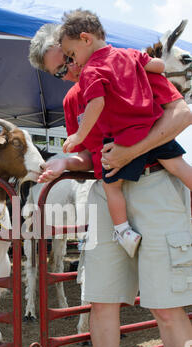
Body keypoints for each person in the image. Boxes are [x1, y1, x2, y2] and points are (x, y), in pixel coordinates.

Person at [29, 23, 192, 347]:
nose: (68, 72)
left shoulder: (125, 64)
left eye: (66, 61)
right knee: (101, 297)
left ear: (76, 46)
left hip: (156, 185)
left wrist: (130, 151)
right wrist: (67, 163)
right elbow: (86, 154)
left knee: (167, 304)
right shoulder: (73, 96)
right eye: (58, 71)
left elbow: (181, 114)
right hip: (106, 191)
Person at [59, 9, 192, 258]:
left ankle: (123, 232)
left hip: (122, 137)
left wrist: (78, 136)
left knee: (112, 188)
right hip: (151, 126)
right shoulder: (128, 54)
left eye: (72, 54)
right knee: (178, 167)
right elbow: (159, 65)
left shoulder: (91, 71)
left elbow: (96, 104)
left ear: (86, 39)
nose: (74, 62)